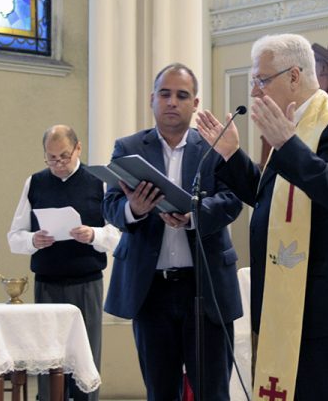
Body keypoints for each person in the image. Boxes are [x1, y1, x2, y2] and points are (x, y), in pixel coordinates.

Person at [195, 34, 328, 401]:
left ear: (294, 76)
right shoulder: (292, 130)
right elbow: (271, 201)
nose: (255, 92)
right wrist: (232, 155)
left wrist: (288, 145)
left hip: (325, 306)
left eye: (261, 81)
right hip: (290, 299)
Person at [103, 63, 243, 401]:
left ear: (195, 104)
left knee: (213, 391)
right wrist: (135, 209)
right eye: (165, 94)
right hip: (151, 290)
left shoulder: (214, 146)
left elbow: (233, 199)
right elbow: (108, 206)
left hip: (204, 287)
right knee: (160, 391)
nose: (171, 102)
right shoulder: (129, 147)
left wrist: (193, 214)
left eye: (182, 95)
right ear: (152, 99)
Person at [8, 125, 120, 401]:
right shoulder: (34, 182)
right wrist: (34, 240)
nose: (58, 164)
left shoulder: (98, 181)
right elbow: (14, 237)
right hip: (47, 284)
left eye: (64, 156)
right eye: (51, 157)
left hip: (87, 282)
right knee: (48, 359)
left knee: (85, 359)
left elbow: (118, 235)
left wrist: (93, 234)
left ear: (78, 149)